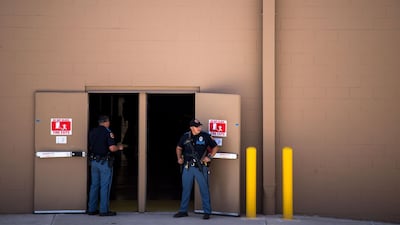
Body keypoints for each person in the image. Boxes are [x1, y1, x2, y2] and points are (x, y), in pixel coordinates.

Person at [173, 119, 219, 220]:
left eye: (199, 126)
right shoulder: (185, 136)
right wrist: (179, 158)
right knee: (186, 189)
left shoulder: (205, 136)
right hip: (188, 166)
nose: (199, 128)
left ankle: (207, 212)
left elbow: (215, 147)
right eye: (196, 126)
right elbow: (179, 148)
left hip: (201, 167)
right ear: (191, 127)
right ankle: (183, 211)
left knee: (204, 189)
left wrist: (210, 157)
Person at [87, 115, 123, 216]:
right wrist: (119, 147)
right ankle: (104, 210)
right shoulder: (108, 132)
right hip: (104, 163)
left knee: (94, 185)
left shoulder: (92, 131)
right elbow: (112, 148)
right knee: (105, 186)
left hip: (94, 162)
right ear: (106, 122)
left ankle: (92, 209)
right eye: (108, 122)